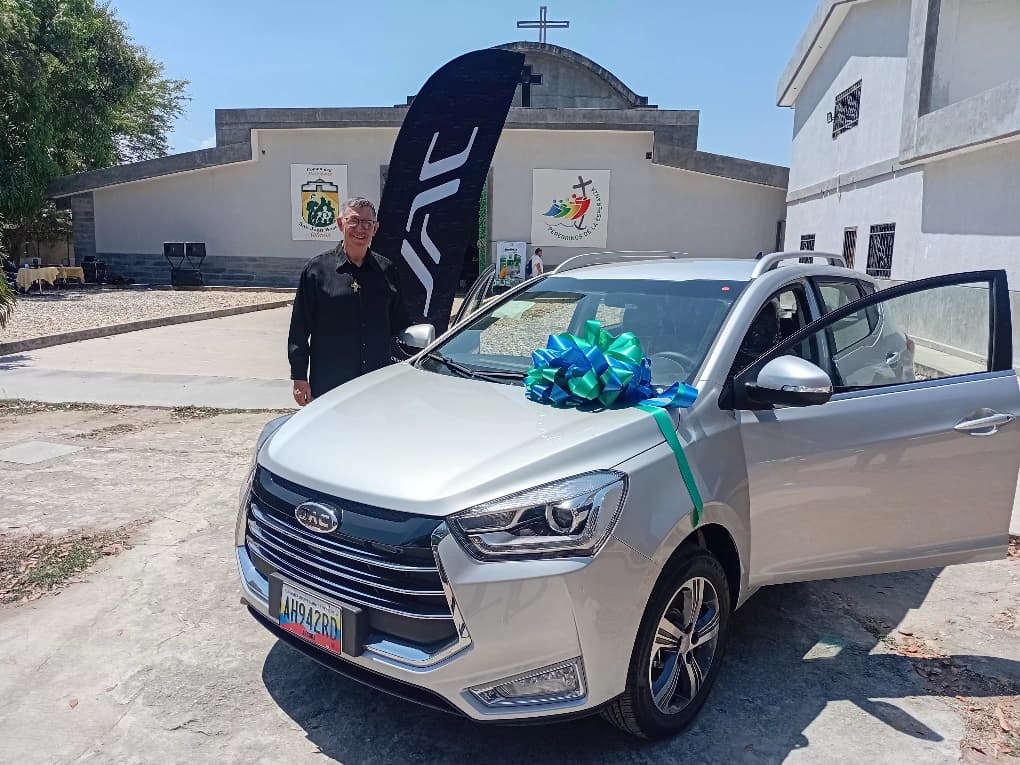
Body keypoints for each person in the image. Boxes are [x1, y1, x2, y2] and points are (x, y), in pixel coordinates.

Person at [288, 196, 412, 406]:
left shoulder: (387, 271)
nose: (360, 229)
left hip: (376, 383)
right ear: (340, 223)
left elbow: (400, 325)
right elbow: (299, 329)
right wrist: (299, 377)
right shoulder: (316, 271)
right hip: (329, 384)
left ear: (375, 228)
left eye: (367, 223)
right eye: (353, 221)